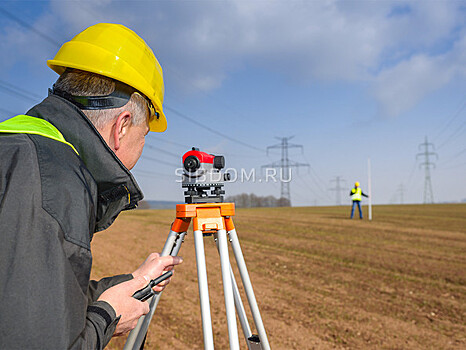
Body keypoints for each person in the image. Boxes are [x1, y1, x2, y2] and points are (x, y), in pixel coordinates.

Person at [0, 23, 183, 349]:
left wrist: (134, 283)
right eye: (145, 138)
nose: (141, 150)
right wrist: (108, 317)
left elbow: (29, 300)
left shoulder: (19, 149)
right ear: (123, 126)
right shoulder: (53, 184)